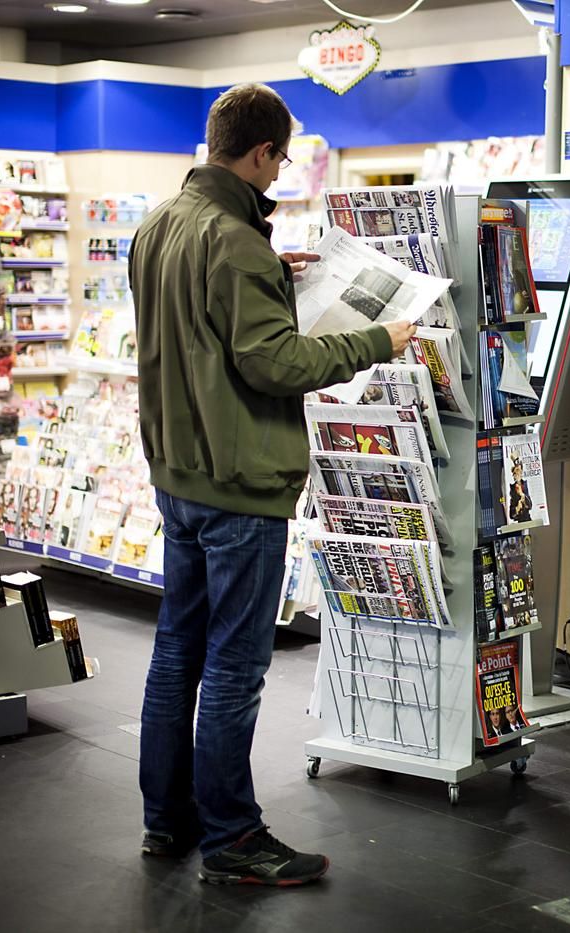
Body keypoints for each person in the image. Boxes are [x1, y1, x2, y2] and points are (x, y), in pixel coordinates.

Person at [129, 82, 415, 887]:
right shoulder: (237, 243)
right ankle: (232, 837)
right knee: (233, 665)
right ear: (260, 153)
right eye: (280, 160)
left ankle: (166, 819)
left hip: (178, 474)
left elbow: (199, 323)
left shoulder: (160, 225)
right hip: (240, 482)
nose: (279, 172)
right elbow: (274, 363)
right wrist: (376, 340)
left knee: (176, 651)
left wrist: (269, 279)